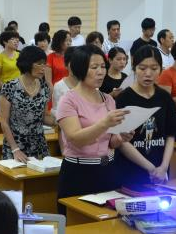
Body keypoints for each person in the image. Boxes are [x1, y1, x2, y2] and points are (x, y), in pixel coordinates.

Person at [56, 45, 132, 212]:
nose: (101, 72)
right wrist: (105, 123)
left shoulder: (108, 100)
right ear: (81, 69)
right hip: (79, 172)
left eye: (103, 66)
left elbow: (110, 142)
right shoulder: (68, 100)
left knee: (109, 226)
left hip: (107, 169)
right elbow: (76, 138)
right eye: (94, 67)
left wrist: (121, 137)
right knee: (77, 228)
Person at [115, 46, 176, 187]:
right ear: (134, 68)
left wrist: (163, 167)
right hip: (131, 170)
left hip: (161, 172)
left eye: (154, 68)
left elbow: (170, 135)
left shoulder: (165, 97)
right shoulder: (123, 99)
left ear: (161, 70)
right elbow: (121, 141)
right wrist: (150, 168)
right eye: (142, 68)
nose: (148, 74)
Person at [0, 46, 54, 162]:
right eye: (39, 64)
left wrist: (60, 120)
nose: (43, 68)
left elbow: (44, 117)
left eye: (44, 64)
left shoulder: (44, 87)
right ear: (28, 63)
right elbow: (4, 122)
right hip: (16, 145)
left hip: (39, 145)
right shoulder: (10, 87)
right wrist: (15, 149)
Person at [52, 47, 77, 116]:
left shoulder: (89, 84)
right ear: (66, 65)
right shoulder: (59, 86)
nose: (77, 66)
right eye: (73, 63)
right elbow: (56, 110)